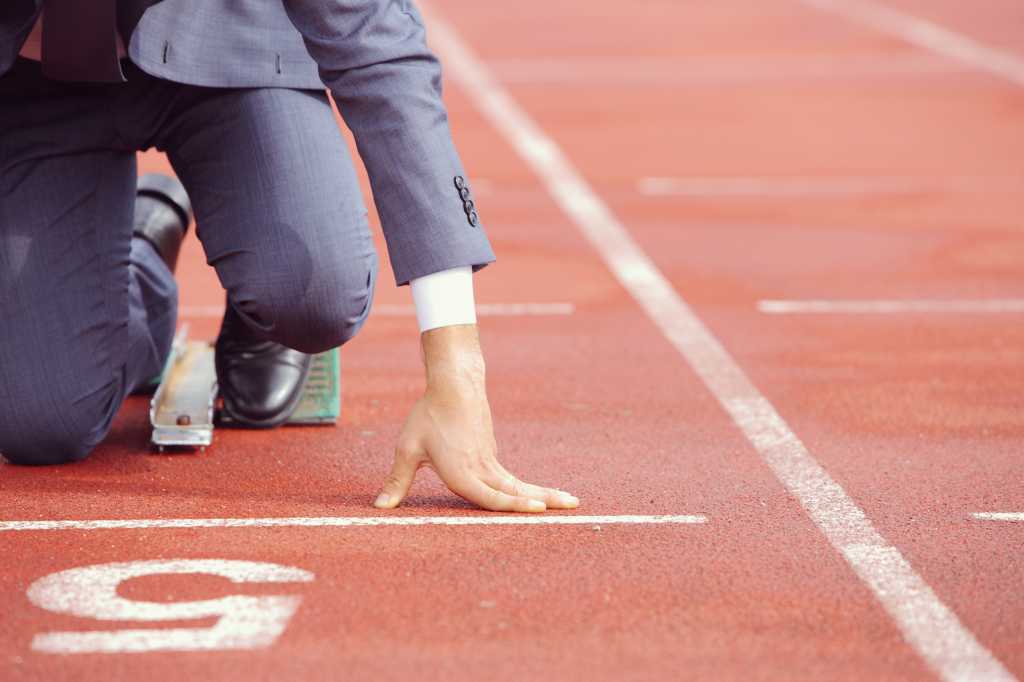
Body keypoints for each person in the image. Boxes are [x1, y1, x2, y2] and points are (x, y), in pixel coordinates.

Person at [0, 0, 578, 513]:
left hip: (234, 52)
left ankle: (263, 295)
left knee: (315, 289)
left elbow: (378, 41)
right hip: (37, 81)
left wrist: (458, 377)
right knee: (40, 424)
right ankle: (146, 254)